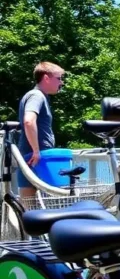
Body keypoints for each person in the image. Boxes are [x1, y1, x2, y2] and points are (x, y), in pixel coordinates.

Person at [17, 61, 65, 198]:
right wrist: (36, 151)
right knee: (53, 202)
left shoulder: (36, 96)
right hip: (36, 158)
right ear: (46, 78)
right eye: (59, 78)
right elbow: (28, 120)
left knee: (29, 206)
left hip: (29, 157)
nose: (61, 83)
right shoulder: (36, 96)